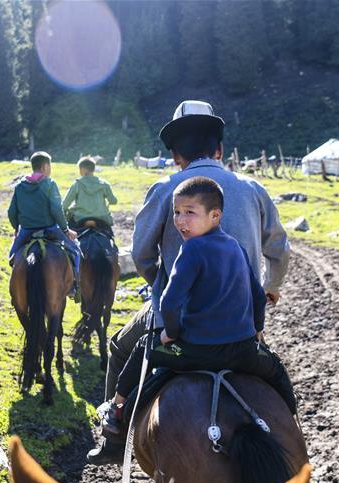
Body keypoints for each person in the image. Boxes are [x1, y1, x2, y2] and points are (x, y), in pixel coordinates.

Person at [89, 100, 290, 462]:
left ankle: (114, 438)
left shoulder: (167, 189)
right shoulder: (253, 188)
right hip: (240, 320)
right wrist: (269, 288)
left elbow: (142, 255)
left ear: (176, 155)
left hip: (181, 320)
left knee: (121, 348)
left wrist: (163, 286)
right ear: (220, 149)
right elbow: (279, 249)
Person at [99, 177, 296, 436]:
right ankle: (291, 422)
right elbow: (258, 296)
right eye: (177, 212)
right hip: (243, 351)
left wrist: (170, 331)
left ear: (215, 215)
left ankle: (117, 408)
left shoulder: (191, 249)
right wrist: (257, 331)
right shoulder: (235, 247)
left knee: (141, 348)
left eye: (190, 213)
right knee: (278, 371)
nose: (180, 221)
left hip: (194, 351)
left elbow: (170, 301)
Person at [8, 151, 81, 297]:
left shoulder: (20, 186)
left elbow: (11, 212)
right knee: (76, 251)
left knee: (12, 256)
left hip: (27, 230)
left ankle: (17, 290)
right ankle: (74, 286)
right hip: (50, 229)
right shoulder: (49, 184)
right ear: (45, 166)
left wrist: (16, 228)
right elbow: (56, 209)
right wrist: (66, 229)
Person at [62, 156, 118, 236]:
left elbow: (64, 205)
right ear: (93, 169)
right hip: (101, 219)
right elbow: (113, 201)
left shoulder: (77, 184)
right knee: (110, 235)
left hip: (80, 219)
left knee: (69, 235)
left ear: (83, 169)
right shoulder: (104, 184)